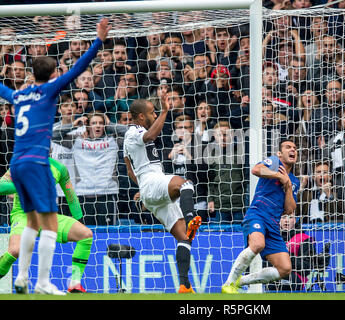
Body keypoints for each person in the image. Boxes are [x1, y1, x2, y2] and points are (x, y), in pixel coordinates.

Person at [0, 18, 110, 295]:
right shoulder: (48, 91)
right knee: (47, 223)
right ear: (51, 76)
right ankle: (43, 282)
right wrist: (98, 40)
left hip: (17, 164)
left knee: (34, 221)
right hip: (37, 164)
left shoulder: (17, 96)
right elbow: (78, 68)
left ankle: (22, 277)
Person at [123, 99, 202, 293]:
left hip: (150, 189)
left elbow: (129, 170)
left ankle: (184, 285)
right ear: (141, 116)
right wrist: (166, 111)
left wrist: (142, 187)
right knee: (186, 184)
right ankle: (192, 217)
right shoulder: (134, 132)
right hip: (152, 181)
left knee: (184, 238)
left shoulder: (129, 140)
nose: (155, 115)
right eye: (152, 113)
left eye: (156, 112)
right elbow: (150, 136)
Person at [0, 157, 93, 293]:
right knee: (15, 250)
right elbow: (1, 187)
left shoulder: (60, 168)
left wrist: (80, 222)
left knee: (86, 235)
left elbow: (71, 197)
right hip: (23, 215)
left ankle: (74, 283)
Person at [221, 139, 300, 293]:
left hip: (273, 223)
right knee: (257, 244)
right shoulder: (275, 162)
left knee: (285, 269)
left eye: (295, 148)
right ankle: (228, 284)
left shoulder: (294, 181)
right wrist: (278, 176)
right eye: (288, 147)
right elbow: (256, 169)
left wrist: (288, 185)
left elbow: (290, 209)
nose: (293, 150)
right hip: (257, 213)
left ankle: (240, 281)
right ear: (279, 153)